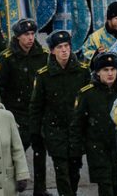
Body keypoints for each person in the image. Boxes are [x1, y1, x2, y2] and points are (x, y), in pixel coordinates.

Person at [30, 30, 90, 196]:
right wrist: (35, 131)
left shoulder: (82, 72)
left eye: (67, 46)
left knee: (74, 170)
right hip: (54, 130)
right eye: (59, 47)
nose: (64, 50)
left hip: (76, 130)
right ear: (52, 50)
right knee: (62, 171)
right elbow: (36, 106)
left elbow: (88, 102)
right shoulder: (44, 75)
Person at [0, 18, 49, 196]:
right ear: (18, 37)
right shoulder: (7, 58)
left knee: (40, 152)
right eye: (26, 34)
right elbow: (0, 88)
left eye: (33, 34)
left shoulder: (42, 56)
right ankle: (10, 187)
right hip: (17, 113)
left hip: (37, 112)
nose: (31, 38)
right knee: (15, 153)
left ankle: (40, 190)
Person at [70, 52, 117, 196]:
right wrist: (76, 151)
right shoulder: (87, 94)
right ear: (97, 72)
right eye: (105, 70)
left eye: (113, 69)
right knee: (105, 188)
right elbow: (77, 124)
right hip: (98, 149)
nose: (110, 73)